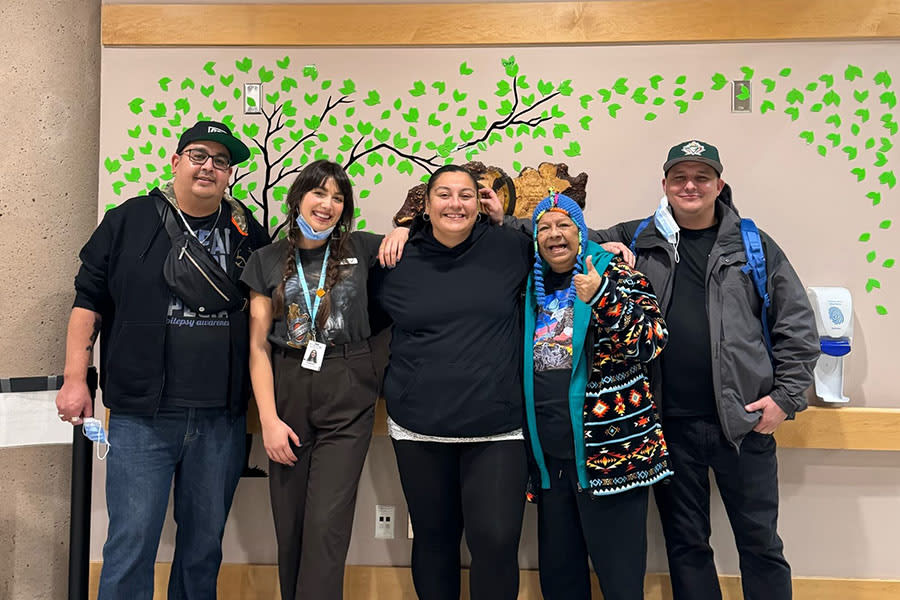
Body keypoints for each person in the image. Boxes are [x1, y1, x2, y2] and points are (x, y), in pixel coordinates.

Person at [596, 140, 819, 600]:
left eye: (701, 177)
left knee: (760, 545)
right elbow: (559, 236)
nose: (690, 186)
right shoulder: (640, 237)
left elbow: (797, 327)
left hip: (744, 424)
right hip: (667, 425)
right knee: (687, 546)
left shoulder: (753, 244)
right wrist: (501, 219)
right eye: (679, 177)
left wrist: (785, 399)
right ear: (665, 186)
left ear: (719, 184)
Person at [55, 120, 270, 599]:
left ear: (229, 174)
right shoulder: (128, 219)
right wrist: (76, 380)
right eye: (198, 155)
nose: (208, 167)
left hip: (220, 416)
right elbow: (88, 299)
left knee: (202, 549)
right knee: (131, 544)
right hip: (140, 417)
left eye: (221, 161)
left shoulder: (246, 230)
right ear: (175, 162)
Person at [241, 160, 407, 600]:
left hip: (348, 386)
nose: (328, 204)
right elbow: (257, 346)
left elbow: (427, 241)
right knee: (290, 523)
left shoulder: (363, 248)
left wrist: (405, 229)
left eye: (338, 198)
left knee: (326, 525)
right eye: (319, 193)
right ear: (298, 198)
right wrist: (269, 420)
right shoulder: (266, 260)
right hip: (288, 384)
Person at [371, 164, 536, 600]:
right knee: (433, 539)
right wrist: (399, 231)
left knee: (497, 542)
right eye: (443, 194)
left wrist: (614, 246)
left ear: (480, 204)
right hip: (418, 426)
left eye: (465, 195)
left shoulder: (510, 247)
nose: (455, 204)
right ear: (425, 206)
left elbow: (567, 244)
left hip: (497, 426)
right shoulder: (395, 258)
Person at [523, 193, 671, 599]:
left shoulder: (619, 276)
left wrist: (602, 296)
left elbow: (652, 342)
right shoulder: (528, 287)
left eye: (564, 225)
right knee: (560, 581)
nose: (555, 235)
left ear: (581, 231)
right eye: (544, 227)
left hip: (613, 457)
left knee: (620, 582)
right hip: (551, 462)